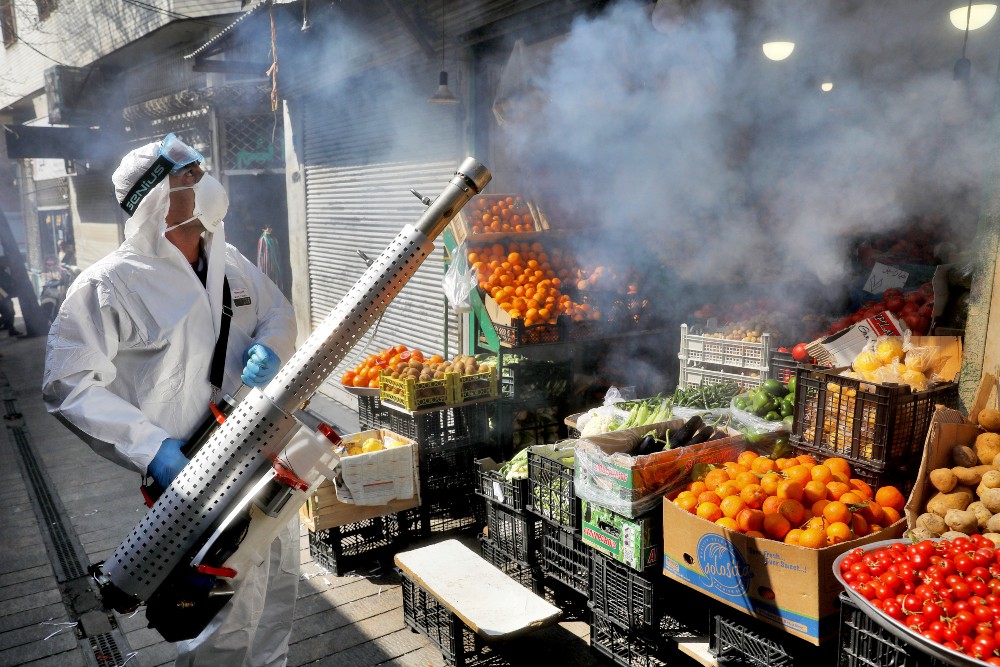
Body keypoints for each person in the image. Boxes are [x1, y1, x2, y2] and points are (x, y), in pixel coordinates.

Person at [42, 134, 299, 667]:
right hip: (193, 476)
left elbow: (277, 312)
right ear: (155, 198)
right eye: (189, 175)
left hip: (264, 454)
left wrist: (272, 346)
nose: (204, 179)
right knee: (218, 616)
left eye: (200, 169)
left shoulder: (228, 260)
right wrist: (152, 448)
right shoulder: (108, 285)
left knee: (278, 591)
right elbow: (68, 384)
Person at [0, 256, 22, 336]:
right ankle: (11, 329)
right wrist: (6, 296)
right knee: (9, 313)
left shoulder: (3, 271)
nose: (7, 264)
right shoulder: (1, 272)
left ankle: (10, 328)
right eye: (5, 262)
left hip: (4, 297)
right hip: (3, 297)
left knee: (10, 313)